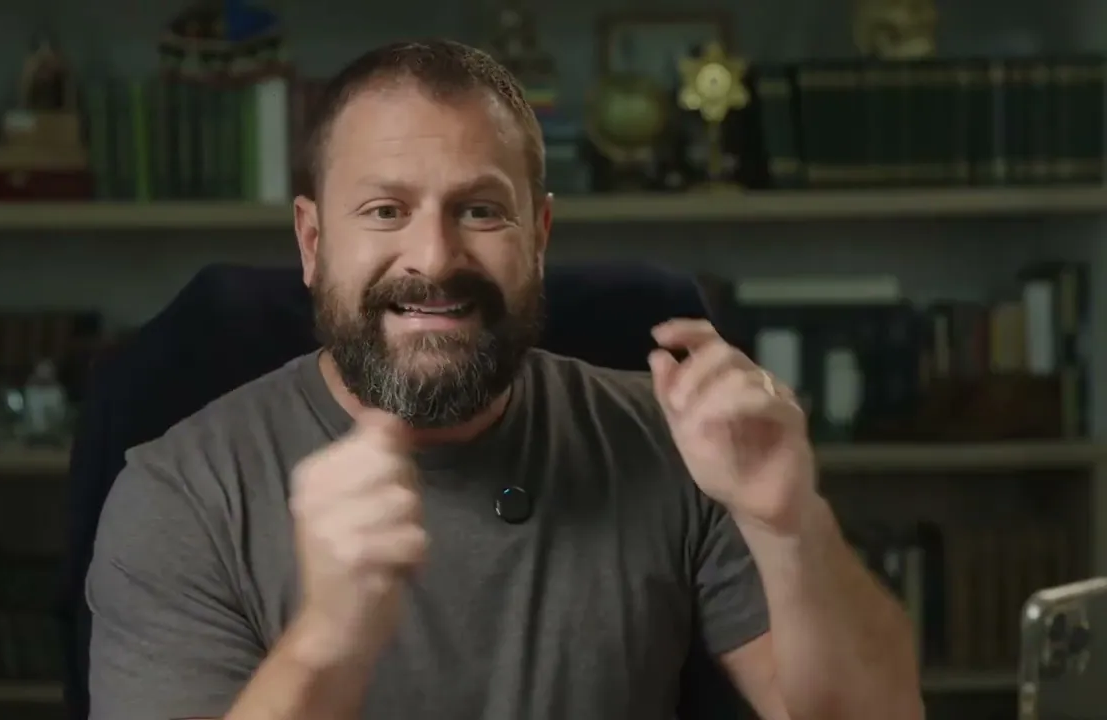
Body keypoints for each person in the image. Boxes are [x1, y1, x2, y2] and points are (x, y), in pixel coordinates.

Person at [85, 39, 923, 720]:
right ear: (312, 243)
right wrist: (327, 639)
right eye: (385, 211)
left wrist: (790, 523)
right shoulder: (181, 495)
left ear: (539, 236)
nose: (434, 258)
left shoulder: (685, 447)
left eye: (480, 210)